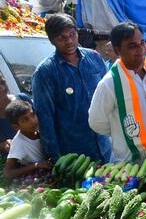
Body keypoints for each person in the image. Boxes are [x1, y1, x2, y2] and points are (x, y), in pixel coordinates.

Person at [32, 14, 111, 163]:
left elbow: (109, 96)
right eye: (61, 38)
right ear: (52, 40)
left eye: (72, 35)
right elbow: (45, 118)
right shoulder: (45, 72)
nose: (69, 41)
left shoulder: (94, 58)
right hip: (73, 155)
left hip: (105, 147)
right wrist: (56, 157)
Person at [89, 23, 146, 163]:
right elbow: (96, 122)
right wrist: (120, 129)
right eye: (132, 46)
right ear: (117, 50)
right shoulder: (109, 83)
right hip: (129, 164)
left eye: (142, 43)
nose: (141, 50)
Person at [3, 100, 52, 179]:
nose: (32, 121)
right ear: (16, 127)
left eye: (32, 115)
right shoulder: (19, 143)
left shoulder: (41, 130)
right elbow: (7, 173)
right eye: (25, 120)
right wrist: (36, 165)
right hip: (40, 175)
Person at [0, 74, 33, 156]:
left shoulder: (22, 98)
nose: (2, 88)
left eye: (2, 82)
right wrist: (3, 145)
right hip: (17, 163)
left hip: (39, 151)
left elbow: (41, 122)